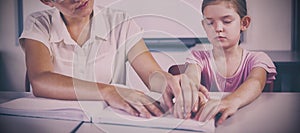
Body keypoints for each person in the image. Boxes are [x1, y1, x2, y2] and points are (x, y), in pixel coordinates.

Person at [19, 0, 202, 119]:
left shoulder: (119, 22)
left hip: (98, 122)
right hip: (49, 121)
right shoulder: (38, 24)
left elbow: (153, 75)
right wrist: (108, 91)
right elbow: (40, 80)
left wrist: (174, 88)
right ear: (47, 1)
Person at [183, 0, 277, 125]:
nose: (218, 28)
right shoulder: (198, 57)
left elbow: (256, 82)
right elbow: (191, 77)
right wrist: (192, 92)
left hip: (247, 124)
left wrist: (231, 101)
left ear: (244, 23)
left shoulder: (258, 59)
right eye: (210, 23)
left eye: (226, 21)